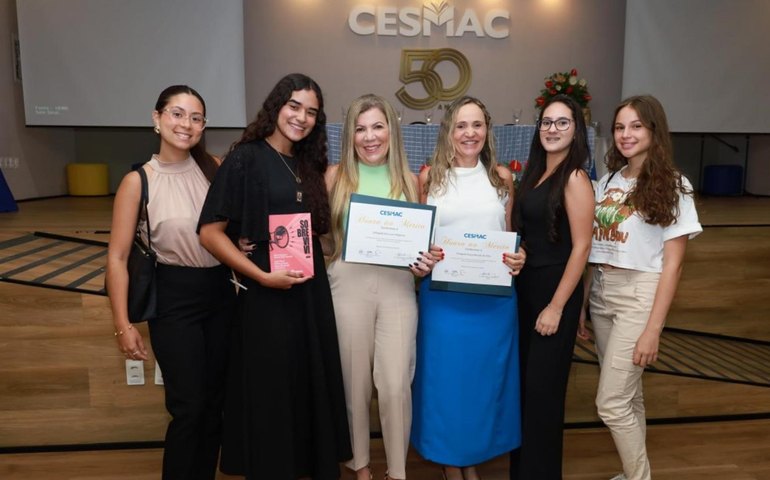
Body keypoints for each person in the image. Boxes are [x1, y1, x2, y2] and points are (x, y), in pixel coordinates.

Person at [197, 73, 352, 480]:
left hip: (308, 293)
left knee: (305, 385)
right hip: (266, 296)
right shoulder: (246, 157)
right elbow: (210, 232)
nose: (301, 117)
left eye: (311, 112)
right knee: (271, 391)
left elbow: (312, 230)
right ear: (277, 105)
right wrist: (261, 276)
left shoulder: (308, 163)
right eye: (294, 106)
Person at [106, 85, 235, 480]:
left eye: (196, 118)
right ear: (157, 118)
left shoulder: (216, 168)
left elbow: (231, 231)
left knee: (215, 404)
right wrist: (124, 325)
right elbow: (117, 258)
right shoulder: (138, 181)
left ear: (204, 126)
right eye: (177, 114)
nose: (186, 124)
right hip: (174, 298)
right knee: (188, 406)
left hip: (222, 293)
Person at [582, 95, 702, 480]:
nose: (626, 134)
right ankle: (635, 473)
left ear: (654, 130)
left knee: (611, 401)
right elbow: (594, 248)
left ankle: (639, 478)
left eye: (636, 126)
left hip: (640, 294)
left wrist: (653, 329)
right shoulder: (609, 180)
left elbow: (675, 264)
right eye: (619, 127)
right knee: (629, 395)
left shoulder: (674, 184)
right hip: (603, 292)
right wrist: (585, 303)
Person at [411, 96, 525, 480]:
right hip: (443, 299)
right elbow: (419, 240)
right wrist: (424, 256)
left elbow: (508, 235)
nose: (470, 133)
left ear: (487, 130)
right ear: (449, 131)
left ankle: (469, 460)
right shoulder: (428, 177)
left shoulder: (501, 176)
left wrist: (518, 256)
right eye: (461, 125)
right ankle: (450, 463)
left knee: (480, 386)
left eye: (477, 125)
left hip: (492, 302)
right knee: (446, 384)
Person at [324, 93, 435, 480]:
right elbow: (321, 240)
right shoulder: (334, 177)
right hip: (347, 285)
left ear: (392, 130)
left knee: (394, 386)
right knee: (353, 385)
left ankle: (398, 471)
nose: (370, 137)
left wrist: (425, 263)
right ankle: (360, 468)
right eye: (360, 128)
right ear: (350, 135)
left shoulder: (411, 179)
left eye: (377, 126)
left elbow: (422, 244)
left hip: (398, 288)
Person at [509, 94, 594, 480]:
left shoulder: (574, 177)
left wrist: (558, 307)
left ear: (576, 130)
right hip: (526, 292)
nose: (552, 129)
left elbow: (582, 248)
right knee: (526, 393)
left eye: (562, 122)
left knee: (543, 398)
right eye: (546, 122)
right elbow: (532, 234)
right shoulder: (535, 172)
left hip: (553, 294)